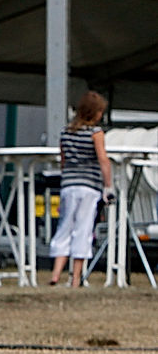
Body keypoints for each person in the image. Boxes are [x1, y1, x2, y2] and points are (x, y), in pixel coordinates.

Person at [49, 90, 114, 288]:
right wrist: (108, 185)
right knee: (83, 229)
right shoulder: (96, 133)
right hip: (89, 186)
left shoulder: (65, 132)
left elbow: (63, 159)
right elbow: (103, 160)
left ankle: (55, 274)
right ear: (94, 113)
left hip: (69, 184)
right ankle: (76, 277)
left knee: (64, 227)